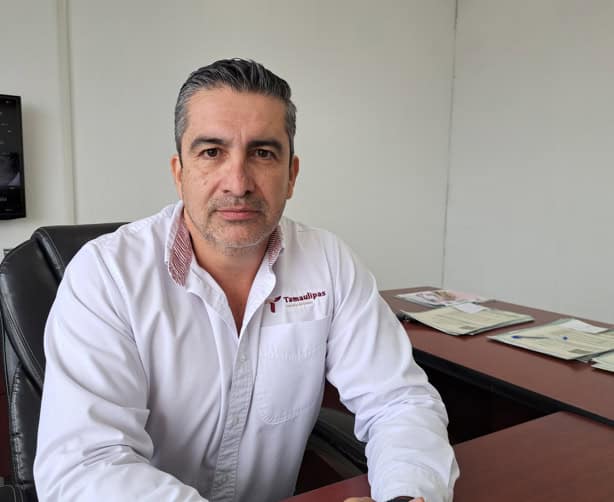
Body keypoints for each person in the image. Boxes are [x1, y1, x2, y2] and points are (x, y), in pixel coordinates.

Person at [34, 59, 458, 502]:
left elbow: (399, 400)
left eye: (262, 153)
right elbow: (87, 465)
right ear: (179, 173)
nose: (237, 183)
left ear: (291, 175)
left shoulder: (329, 263)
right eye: (211, 152)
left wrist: (407, 494)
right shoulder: (106, 275)